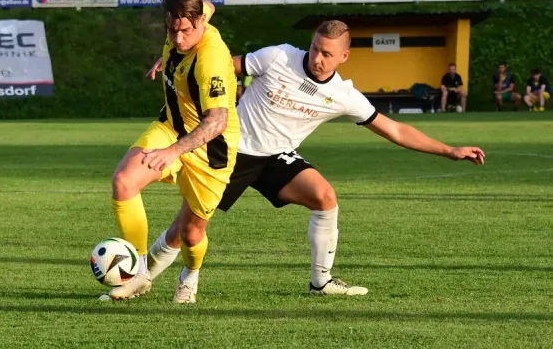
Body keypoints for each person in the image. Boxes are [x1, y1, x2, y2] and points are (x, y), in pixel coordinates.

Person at [146, 20, 485, 297]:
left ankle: (320, 283)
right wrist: (180, 57)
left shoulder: (343, 95)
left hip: (276, 157)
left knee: (325, 197)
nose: (318, 58)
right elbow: (220, 66)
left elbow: (393, 129)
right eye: (315, 48)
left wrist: (449, 151)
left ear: (344, 56)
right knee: (184, 232)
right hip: (231, 151)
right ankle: (138, 279)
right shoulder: (278, 57)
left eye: (327, 53)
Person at [109, 0, 239, 303]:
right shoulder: (192, 14)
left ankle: (189, 277)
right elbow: (207, 6)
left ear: (200, 24)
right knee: (123, 182)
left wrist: (172, 152)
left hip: (211, 150)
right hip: (170, 127)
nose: (179, 39)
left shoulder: (211, 60)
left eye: (186, 32)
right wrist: (165, 57)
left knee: (191, 234)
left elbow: (216, 121)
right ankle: (139, 273)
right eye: (172, 30)